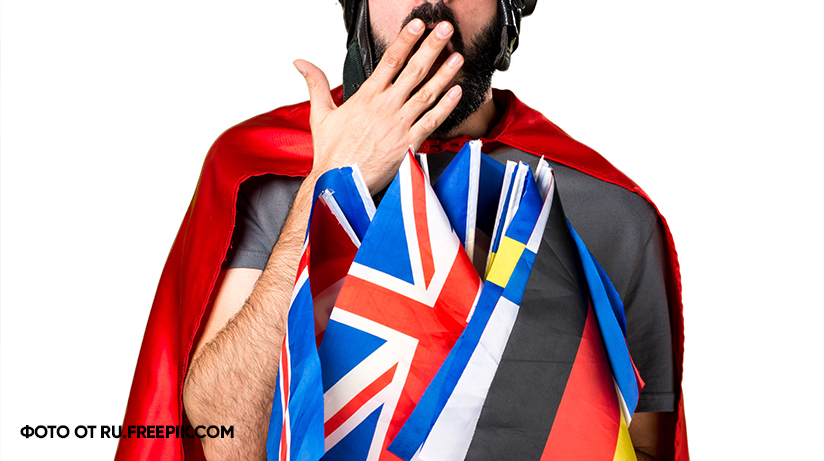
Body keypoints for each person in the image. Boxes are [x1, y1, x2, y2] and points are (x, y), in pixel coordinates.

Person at [116, 1, 688, 460]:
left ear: (509, 8)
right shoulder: (265, 178)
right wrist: (328, 184)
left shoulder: (607, 212)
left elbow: (640, 447)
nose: (431, 4)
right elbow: (225, 442)